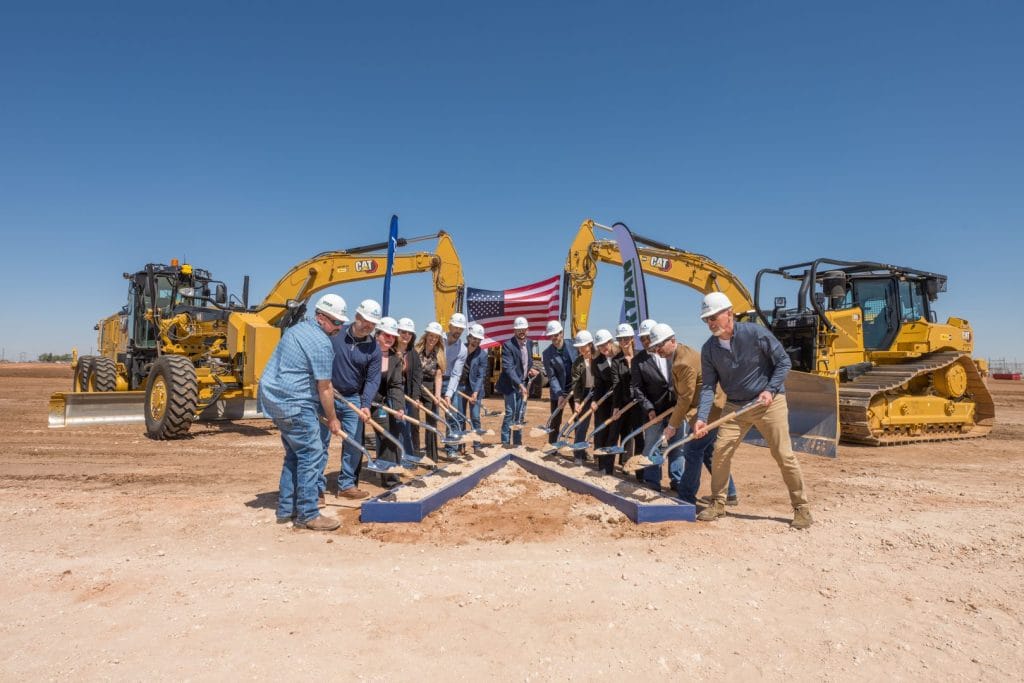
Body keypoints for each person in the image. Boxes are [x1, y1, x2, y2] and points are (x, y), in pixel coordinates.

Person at [693, 292, 813, 529]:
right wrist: (701, 418)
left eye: (713, 317)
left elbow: (783, 363)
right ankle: (718, 503)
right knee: (720, 453)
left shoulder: (755, 334)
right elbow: (708, 386)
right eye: (706, 319)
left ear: (729, 313)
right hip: (735, 406)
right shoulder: (709, 349)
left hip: (768, 403)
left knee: (783, 455)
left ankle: (801, 507)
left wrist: (770, 389)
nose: (710, 323)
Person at [257, 293, 345, 531]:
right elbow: (324, 387)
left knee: (295, 455)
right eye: (336, 322)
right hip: (294, 402)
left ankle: (287, 509)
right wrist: (334, 419)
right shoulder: (321, 343)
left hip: (275, 398)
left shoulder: (297, 330)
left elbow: (314, 377)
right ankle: (308, 513)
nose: (339, 327)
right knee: (312, 452)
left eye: (341, 323)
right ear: (321, 317)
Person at [647, 322, 738, 505]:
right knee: (708, 452)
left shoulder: (683, 363)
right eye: (655, 347)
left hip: (710, 408)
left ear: (672, 341)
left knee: (692, 450)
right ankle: (729, 493)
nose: (657, 350)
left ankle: (686, 496)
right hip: (708, 405)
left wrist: (672, 426)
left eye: (660, 345)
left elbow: (685, 399)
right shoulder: (680, 354)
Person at [330, 298, 382, 500]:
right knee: (320, 441)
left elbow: (372, 379)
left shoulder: (373, 348)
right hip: (327, 393)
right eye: (365, 320)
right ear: (356, 316)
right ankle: (315, 489)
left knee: (353, 442)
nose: (368, 325)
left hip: (352, 397)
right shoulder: (336, 334)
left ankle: (346, 485)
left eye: (372, 323)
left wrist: (366, 405)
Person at [630, 318, 679, 490]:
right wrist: (649, 408)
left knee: (677, 446)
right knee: (651, 445)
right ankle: (652, 481)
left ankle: (677, 481)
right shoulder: (638, 361)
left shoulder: (672, 354)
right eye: (642, 338)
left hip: (676, 408)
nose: (645, 341)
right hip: (654, 411)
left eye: (647, 337)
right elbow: (637, 388)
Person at [370, 316, 405, 487]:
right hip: (363, 401)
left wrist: (399, 407)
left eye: (393, 336)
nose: (390, 338)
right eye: (386, 335)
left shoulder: (394, 358)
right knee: (384, 435)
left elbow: (396, 385)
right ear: (378, 334)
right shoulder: (367, 351)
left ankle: (390, 478)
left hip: (381, 403)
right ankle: (348, 482)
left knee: (390, 434)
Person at [496, 316, 538, 447]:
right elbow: (508, 368)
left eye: (523, 329)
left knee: (520, 414)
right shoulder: (508, 346)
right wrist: (519, 384)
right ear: (514, 331)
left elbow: (526, 362)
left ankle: (517, 443)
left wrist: (531, 369)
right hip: (510, 385)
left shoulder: (530, 343)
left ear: (527, 330)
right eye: (519, 329)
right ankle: (505, 442)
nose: (521, 332)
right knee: (510, 412)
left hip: (523, 384)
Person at [610, 323, 645, 469]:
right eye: (620, 339)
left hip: (639, 403)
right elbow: (616, 385)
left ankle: (639, 472)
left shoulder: (641, 356)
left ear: (631, 338)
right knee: (617, 433)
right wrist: (616, 407)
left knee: (638, 436)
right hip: (624, 402)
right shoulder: (616, 361)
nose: (623, 342)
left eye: (626, 338)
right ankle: (611, 467)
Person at [414, 321, 446, 462]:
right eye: (431, 336)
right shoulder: (416, 350)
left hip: (430, 387)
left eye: (436, 337)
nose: (433, 339)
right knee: (414, 422)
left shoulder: (439, 354)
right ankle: (414, 455)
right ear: (426, 335)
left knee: (431, 423)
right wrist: (415, 395)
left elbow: (438, 376)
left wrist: (437, 395)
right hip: (415, 385)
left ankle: (432, 457)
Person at [541, 320, 574, 445]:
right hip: (559, 390)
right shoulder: (547, 354)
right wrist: (560, 394)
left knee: (577, 419)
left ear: (562, 333)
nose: (554, 338)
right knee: (555, 421)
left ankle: (579, 450)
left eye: (556, 334)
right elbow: (552, 376)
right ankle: (552, 447)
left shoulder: (573, 345)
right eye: (551, 336)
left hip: (575, 389)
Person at [441, 312, 469, 456]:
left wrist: (448, 394)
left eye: (461, 329)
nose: (458, 331)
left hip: (449, 381)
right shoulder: (438, 339)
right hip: (433, 380)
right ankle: (430, 451)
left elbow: (456, 374)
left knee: (453, 416)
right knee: (432, 416)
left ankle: (451, 450)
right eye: (456, 327)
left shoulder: (462, 349)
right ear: (450, 326)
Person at [591, 329, 618, 474]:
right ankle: (602, 466)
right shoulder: (597, 362)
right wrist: (595, 400)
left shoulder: (619, 357)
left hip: (618, 402)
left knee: (613, 435)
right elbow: (599, 384)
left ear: (610, 342)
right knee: (602, 432)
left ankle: (609, 468)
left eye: (605, 345)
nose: (603, 349)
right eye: (600, 346)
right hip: (604, 402)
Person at [396, 317, 422, 457]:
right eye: (403, 332)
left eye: (409, 333)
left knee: (406, 426)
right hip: (393, 394)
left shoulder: (413, 354)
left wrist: (416, 397)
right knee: (396, 426)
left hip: (408, 394)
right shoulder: (391, 350)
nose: (406, 335)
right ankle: (396, 457)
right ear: (397, 332)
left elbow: (418, 377)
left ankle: (407, 457)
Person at [569, 330, 596, 462]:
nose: (580, 349)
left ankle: (599, 458)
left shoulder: (599, 358)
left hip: (600, 393)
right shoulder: (577, 363)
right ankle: (578, 455)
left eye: (583, 346)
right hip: (585, 393)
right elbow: (576, 384)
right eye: (579, 347)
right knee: (582, 425)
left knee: (601, 425)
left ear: (590, 344)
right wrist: (577, 401)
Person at [461, 323, 488, 433]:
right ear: (469, 337)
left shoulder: (482, 355)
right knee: (460, 416)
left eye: (479, 339)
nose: (476, 341)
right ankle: (460, 445)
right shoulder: (460, 349)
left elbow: (481, 375)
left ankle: (476, 446)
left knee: (475, 417)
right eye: (474, 338)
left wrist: (475, 392)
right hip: (461, 387)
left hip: (474, 390)